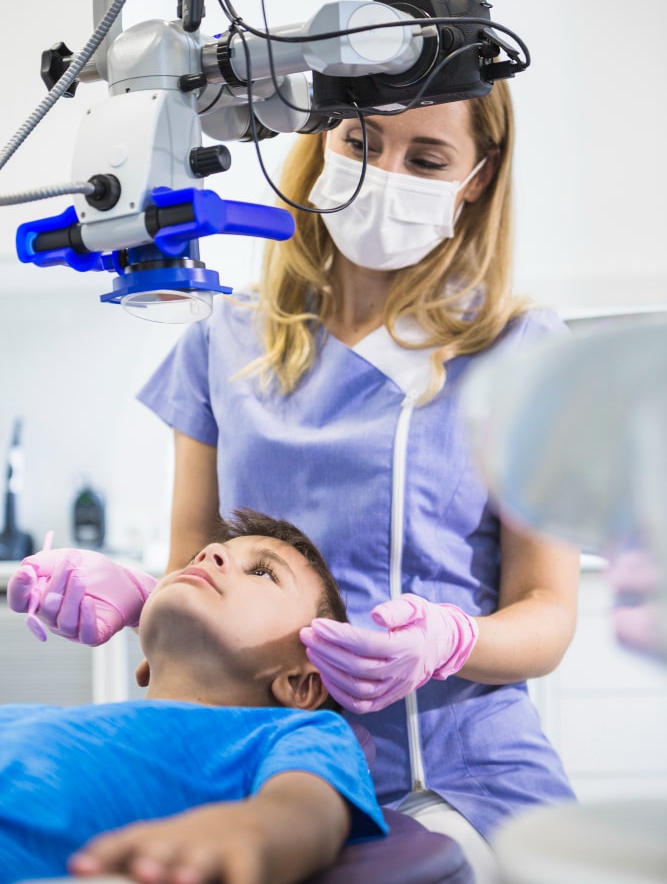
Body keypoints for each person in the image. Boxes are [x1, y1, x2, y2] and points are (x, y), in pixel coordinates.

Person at [11, 82, 580, 882]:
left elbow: (548, 616)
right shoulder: (224, 332)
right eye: (359, 141)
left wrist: (449, 641)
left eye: (425, 158)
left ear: (477, 177)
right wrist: (143, 597)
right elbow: (197, 560)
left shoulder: (522, 352)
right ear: (319, 142)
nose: (383, 173)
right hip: (242, 750)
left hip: (452, 770)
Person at [3, 508, 387, 884]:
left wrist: (246, 832)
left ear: (301, 685)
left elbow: (307, 813)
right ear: (146, 664)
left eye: (262, 572)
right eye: (198, 557)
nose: (210, 553)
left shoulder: (297, 732)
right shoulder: (28, 718)